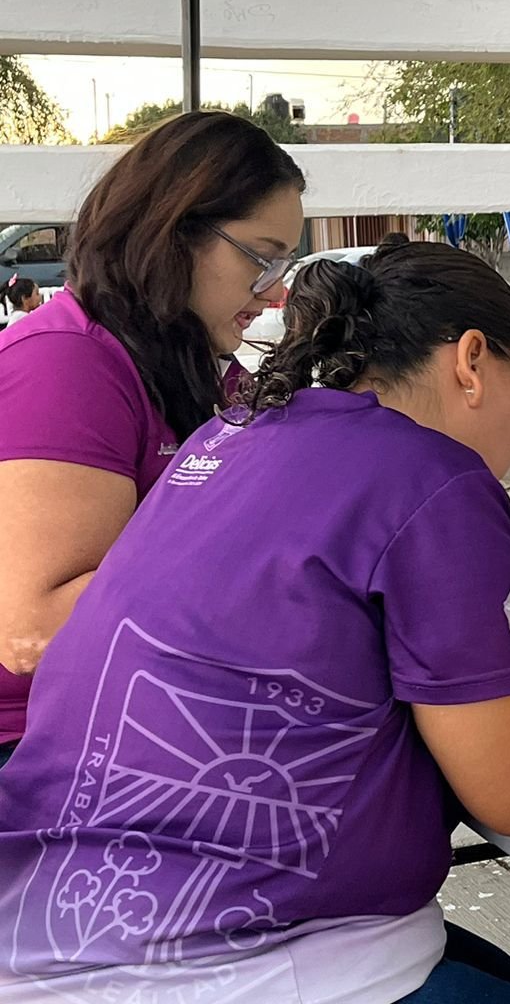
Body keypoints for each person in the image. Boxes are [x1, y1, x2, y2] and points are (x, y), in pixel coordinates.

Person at [0, 236, 510, 1001]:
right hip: (220, 957)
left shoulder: (227, 435)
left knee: (497, 972)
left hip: (45, 909)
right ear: (472, 361)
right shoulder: (433, 476)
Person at [0, 111, 305, 764]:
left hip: (141, 707)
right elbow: (32, 630)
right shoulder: (66, 363)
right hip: (39, 740)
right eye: (262, 259)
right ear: (172, 232)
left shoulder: (191, 366)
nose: (275, 291)